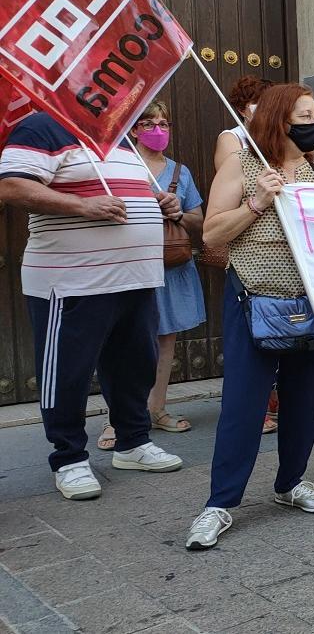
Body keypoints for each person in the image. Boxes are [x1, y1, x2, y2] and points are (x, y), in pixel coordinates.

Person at [0, 113, 185, 500]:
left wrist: (157, 202)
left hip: (134, 278)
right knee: (68, 372)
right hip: (71, 281)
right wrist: (81, 206)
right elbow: (12, 187)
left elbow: (121, 190)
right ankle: (68, 458)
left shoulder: (118, 135)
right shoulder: (42, 126)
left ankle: (132, 443)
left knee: (135, 365)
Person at [185, 84, 314, 549]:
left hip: (307, 305)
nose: (312, 123)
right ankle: (219, 504)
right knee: (243, 406)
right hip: (253, 300)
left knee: (304, 401)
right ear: (277, 120)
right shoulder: (241, 165)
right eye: (304, 116)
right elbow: (211, 231)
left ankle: (291, 483)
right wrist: (258, 203)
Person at [96, 101, 207, 452]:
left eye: (163, 123)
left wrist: (178, 212)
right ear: (133, 129)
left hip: (170, 266)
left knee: (165, 341)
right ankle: (118, 418)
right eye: (149, 123)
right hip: (129, 264)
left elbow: (198, 219)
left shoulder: (179, 172)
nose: (158, 129)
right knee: (123, 342)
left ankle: (157, 408)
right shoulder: (117, 165)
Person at [212, 74, 280, 434]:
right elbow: (234, 177)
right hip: (248, 244)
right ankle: (256, 409)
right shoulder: (232, 139)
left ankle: (274, 401)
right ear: (244, 107)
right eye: (260, 101)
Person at [214, 75, 275, 170]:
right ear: (241, 110)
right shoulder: (231, 138)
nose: (266, 109)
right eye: (259, 104)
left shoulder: (281, 134)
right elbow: (231, 178)